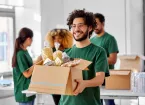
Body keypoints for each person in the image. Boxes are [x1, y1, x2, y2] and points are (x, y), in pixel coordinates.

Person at [59, 9, 109, 105]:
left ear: (90, 28)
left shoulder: (98, 52)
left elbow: (100, 79)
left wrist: (84, 83)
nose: (76, 29)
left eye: (80, 25)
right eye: (73, 26)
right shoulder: (65, 53)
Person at [91, 13, 119, 105]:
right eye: (93, 24)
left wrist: (97, 58)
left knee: (109, 102)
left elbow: (113, 59)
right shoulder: (92, 40)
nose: (95, 26)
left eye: (97, 24)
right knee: (97, 102)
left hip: (107, 77)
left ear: (103, 23)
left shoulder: (110, 39)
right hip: (95, 76)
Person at [12, 27, 42, 105]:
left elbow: (29, 66)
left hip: (30, 90)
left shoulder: (25, 51)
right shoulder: (20, 54)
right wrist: (37, 63)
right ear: (28, 39)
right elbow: (27, 74)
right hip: (24, 92)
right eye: (32, 39)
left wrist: (38, 61)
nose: (32, 41)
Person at [45, 28, 73, 105]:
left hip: (67, 83)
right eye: (54, 38)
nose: (57, 40)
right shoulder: (49, 51)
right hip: (54, 83)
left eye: (60, 38)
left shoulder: (70, 51)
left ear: (65, 38)